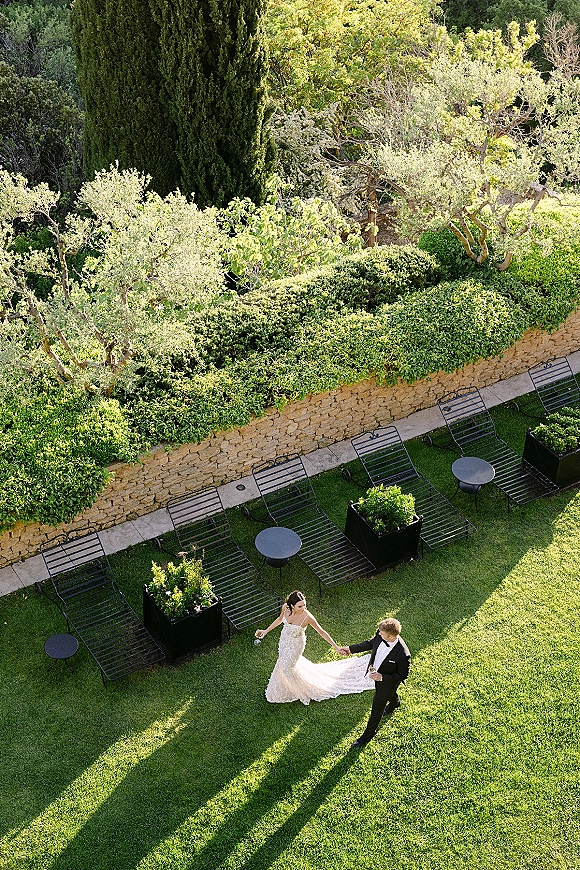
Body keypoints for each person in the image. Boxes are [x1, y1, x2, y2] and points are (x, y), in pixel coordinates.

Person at [255, 590, 374, 705]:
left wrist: (336, 647)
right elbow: (280, 619)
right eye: (300, 606)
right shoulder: (285, 608)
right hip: (284, 641)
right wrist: (266, 631)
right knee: (283, 662)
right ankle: (285, 685)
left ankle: (301, 693)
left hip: (296, 645)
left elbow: (322, 632)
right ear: (291, 606)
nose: (303, 609)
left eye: (304, 605)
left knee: (286, 667)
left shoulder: (307, 617)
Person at [339, 617, 411, 748]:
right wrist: (350, 649)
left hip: (387, 681)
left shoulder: (403, 654)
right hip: (377, 673)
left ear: (390, 637)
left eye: (382, 634)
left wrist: (382, 677)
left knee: (376, 709)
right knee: (391, 694)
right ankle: (395, 702)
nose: (379, 634)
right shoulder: (381, 633)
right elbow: (370, 643)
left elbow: (403, 675)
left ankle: (366, 737)